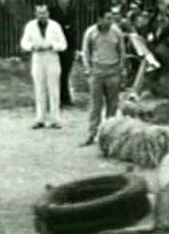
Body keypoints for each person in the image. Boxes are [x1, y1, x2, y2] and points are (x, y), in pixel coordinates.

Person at [80, 9, 126, 147]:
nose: (110, 21)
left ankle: (108, 135)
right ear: (99, 19)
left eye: (111, 18)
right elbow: (85, 51)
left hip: (113, 72)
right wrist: (88, 69)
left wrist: (120, 69)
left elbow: (122, 51)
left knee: (112, 105)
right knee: (95, 105)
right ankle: (92, 134)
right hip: (97, 72)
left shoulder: (117, 32)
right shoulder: (90, 32)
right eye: (107, 18)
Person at [20, 3, 67, 130]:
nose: (42, 16)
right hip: (37, 58)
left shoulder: (55, 26)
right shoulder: (30, 26)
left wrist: (52, 46)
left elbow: (63, 44)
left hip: (52, 58)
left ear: (48, 13)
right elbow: (24, 42)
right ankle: (40, 119)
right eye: (39, 13)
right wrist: (32, 47)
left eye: (44, 13)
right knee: (39, 88)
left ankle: (55, 119)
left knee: (54, 89)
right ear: (36, 14)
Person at [49, 0, 76, 107]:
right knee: (57, 73)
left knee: (66, 72)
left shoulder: (72, 7)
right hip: (58, 45)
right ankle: (57, 99)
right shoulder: (52, 10)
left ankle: (65, 97)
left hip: (69, 44)